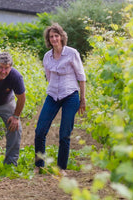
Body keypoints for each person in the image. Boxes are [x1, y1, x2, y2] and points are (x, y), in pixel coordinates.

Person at [34, 23, 86, 174]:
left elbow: (81, 77)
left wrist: (82, 99)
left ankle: (61, 167)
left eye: (56, 36)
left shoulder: (72, 53)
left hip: (70, 95)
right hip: (52, 95)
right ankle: (39, 165)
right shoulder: (47, 56)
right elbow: (49, 77)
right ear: (48, 39)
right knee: (40, 131)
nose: (54, 39)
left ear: (62, 37)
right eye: (51, 37)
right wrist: (54, 90)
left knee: (64, 133)